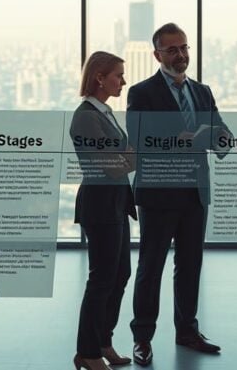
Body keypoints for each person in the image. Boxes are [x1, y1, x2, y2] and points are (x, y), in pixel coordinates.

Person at [127, 23, 231, 366]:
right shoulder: (142, 93)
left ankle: (187, 330)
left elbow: (222, 135)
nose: (181, 55)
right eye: (172, 50)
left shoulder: (202, 92)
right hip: (159, 192)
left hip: (194, 192)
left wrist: (217, 139)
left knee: (190, 264)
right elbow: (139, 142)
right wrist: (181, 141)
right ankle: (142, 338)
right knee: (151, 266)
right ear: (157, 55)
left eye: (184, 48)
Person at [71, 52, 138, 370]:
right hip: (99, 203)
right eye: (118, 75)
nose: (123, 81)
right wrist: (133, 156)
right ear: (99, 77)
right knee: (102, 279)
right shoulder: (86, 116)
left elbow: (121, 160)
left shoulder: (106, 112)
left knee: (119, 274)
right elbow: (113, 166)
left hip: (116, 202)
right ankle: (87, 352)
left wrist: (127, 157)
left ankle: (103, 342)